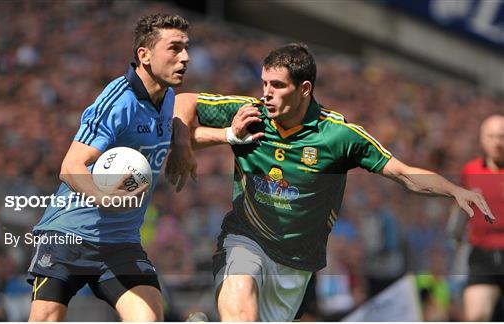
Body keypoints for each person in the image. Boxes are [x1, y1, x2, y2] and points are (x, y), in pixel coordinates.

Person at [165, 43, 495, 321]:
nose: (266, 94)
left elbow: (402, 172)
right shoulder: (249, 114)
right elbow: (183, 102)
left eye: (277, 86)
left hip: (295, 264)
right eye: (264, 83)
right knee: (240, 302)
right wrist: (190, 143)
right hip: (245, 237)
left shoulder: (339, 135)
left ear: (304, 89)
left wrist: (453, 189)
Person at [27, 13, 190, 321]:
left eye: (186, 48)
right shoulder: (119, 101)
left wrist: (181, 142)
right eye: (174, 48)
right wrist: (107, 196)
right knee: (46, 318)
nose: (185, 57)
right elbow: (71, 166)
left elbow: (185, 108)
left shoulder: (168, 96)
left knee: (149, 318)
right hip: (69, 235)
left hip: (121, 243)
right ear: (144, 55)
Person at [449, 115, 503, 321]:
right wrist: (454, 233)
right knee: (476, 317)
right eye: (492, 136)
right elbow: (461, 207)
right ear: (482, 139)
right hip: (483, 257)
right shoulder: (471, 170)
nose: (497, 142)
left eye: (502, 136)